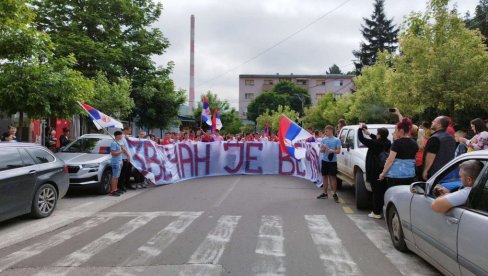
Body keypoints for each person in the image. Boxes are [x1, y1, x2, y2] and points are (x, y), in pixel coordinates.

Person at [358, 124, 391, 219]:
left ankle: (376, 212)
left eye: (377, 134)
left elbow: (361, 139)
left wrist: (360, 129)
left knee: (376, 192)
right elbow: (377, 139)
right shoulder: (388, 142)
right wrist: (369, 133)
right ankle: (382, 209)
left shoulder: (374, 143)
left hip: (374, 170)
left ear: (379, 135)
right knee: (382, 190)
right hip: (384, 170)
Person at [380, 118, 418, 188]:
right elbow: (414, 158)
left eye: (395, 130)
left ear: (401, 130)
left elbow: (390, 160)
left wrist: (383, 173)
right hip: (410, 175)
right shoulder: (414, 143)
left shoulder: (397, 143)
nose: (394, 132)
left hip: (396, 176)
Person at [422, 116, 456, 181]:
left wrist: (425, 170)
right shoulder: (451, 137)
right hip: (448, 171)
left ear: (439, 125)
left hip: (435, 173)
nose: (432, 122)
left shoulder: (434, 138)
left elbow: (430, 156)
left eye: (434, 121)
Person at [317, 125, 342, 201]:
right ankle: (325, 193)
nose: (325, 133)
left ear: (331, 131)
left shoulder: (336, 140)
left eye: (327, 131)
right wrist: (323, 148)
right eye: (325, 131)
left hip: (332, 162)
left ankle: (334, 193)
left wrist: (332, 151)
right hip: (324, 161)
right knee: (324, 177)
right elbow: (320, 150)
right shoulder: (323, 140)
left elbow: (338, 151)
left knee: (333, 177)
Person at [109, 131, 129, 196]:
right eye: (120, 135)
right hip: (115, 162)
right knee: (115, 177)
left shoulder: (118, 143)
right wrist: (121, 151)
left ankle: (116, 189)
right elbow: (113, 153)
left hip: (119, 162)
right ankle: (113, 191)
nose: (121, 137)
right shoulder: (114, 143)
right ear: (117, 136)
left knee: (117, 177)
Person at [120, 126, 133, 191]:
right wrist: (128, 155)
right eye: (129, 131)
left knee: (128, 172)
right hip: (124, 157)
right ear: (126, 130)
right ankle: (122, 186)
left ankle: (127, 184)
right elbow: (122, 148)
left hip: (128, 157)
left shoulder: (125, 137)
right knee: (123, 173)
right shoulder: (121, 137)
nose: (130, 132)